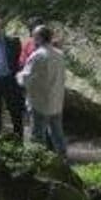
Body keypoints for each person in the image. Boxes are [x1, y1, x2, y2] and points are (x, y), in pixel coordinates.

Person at [17, 25, 67, 158]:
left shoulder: (37, 56)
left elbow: (25, 79)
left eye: (34, 36)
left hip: (39, 102)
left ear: (39, 38)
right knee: (57, 134)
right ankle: (63, 160)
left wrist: (18, 76)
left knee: (37, 135)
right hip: (56, 100)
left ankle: (39, 162)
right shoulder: (60, 54)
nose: (32, 39)